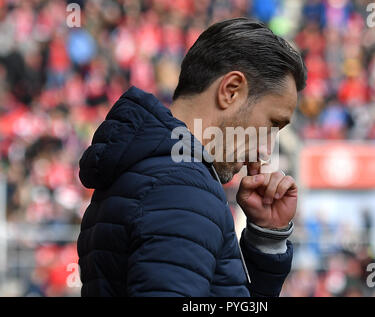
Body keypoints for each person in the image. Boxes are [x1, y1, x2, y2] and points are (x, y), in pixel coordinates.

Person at [77, 17, 307, 297]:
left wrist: (266, 242)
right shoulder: (182, 188)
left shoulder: (153, 172)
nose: (264, 150)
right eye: (272, 124)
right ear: (231, 90)